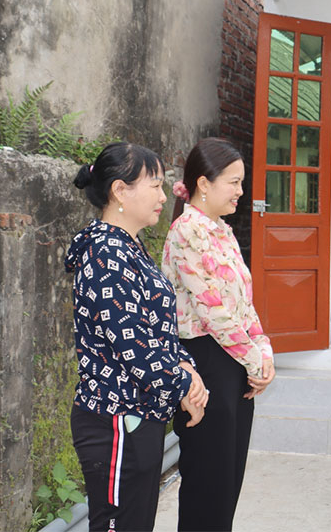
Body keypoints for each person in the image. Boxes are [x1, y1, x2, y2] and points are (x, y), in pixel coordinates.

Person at [67, 142, 209, 532]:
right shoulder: (106, 254)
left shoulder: (128, 248)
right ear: (120, 191)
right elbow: (133, 346)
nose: (164, 197)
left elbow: (156, 328)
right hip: (115, 419)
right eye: (155, 185)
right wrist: (183, 384)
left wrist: (186, 369)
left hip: (138, 414)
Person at [162, 138, 275, 532]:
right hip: (205, 363)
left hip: (235, 361)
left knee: (227, 483)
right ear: (204, 183)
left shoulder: (222, 231)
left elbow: (243, 302)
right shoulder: (186, 231)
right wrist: (254, 360)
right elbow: (212, 311)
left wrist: (264, 351)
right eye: (234, 182)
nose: (241, 191)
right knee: (207, 484)